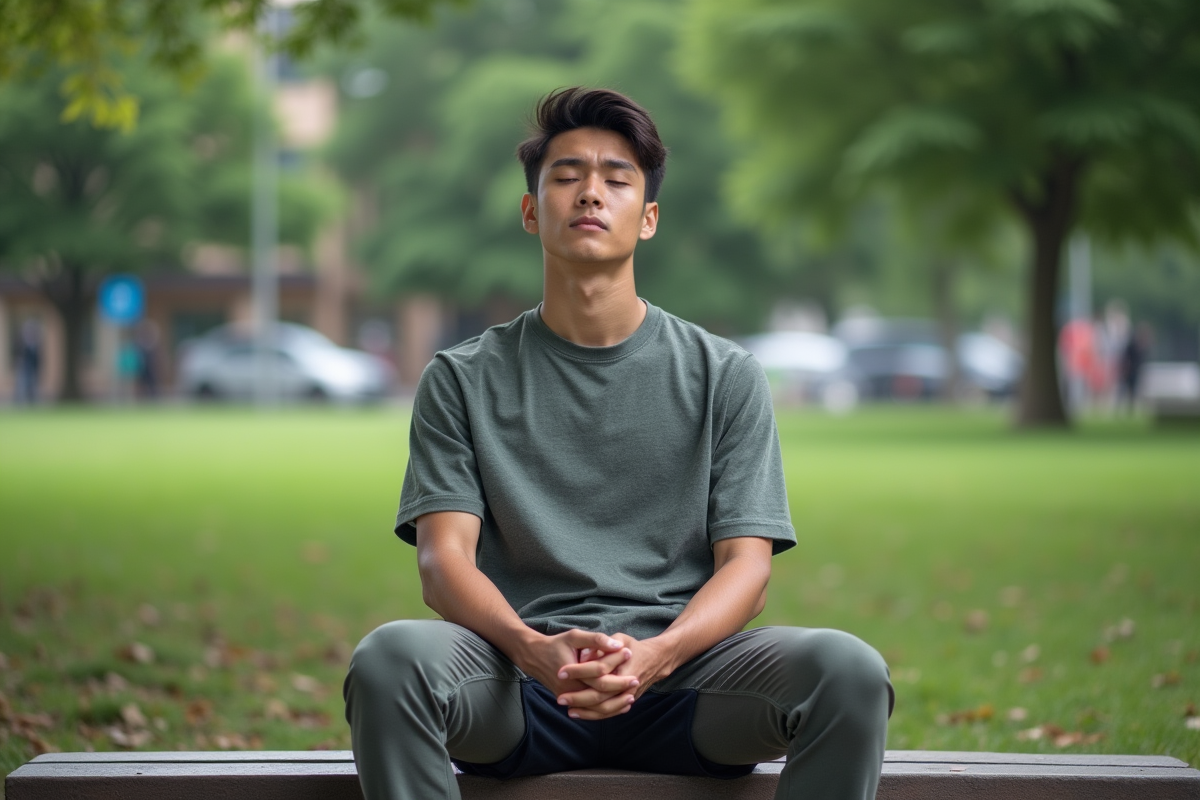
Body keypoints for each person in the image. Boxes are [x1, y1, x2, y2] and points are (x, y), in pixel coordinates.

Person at [343, 87, 893, 800]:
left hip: (687, 682)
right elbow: (442, 562)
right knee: (389, 658)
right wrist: (533, 650)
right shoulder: (461, 378)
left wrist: (660, 654)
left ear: (649, 217)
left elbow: (747, 572)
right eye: (567, 176)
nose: (590, 193)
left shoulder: (725, 375)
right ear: (531, 211)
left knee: (847, 670)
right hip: (516, 683)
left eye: (616, 178)